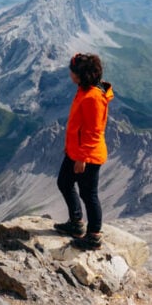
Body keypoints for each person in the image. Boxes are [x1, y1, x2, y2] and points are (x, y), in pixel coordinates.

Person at [54, 52, 113, 250]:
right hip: (76, 150)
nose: (69, 74)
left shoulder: (93, 98)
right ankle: (76, 223)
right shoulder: (84, 90)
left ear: (79, 75)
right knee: (64, 182)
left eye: (72, 71)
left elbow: (93, 132)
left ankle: (94, 235)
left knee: (89, 195)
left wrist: (82, 158)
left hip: (87, 155)